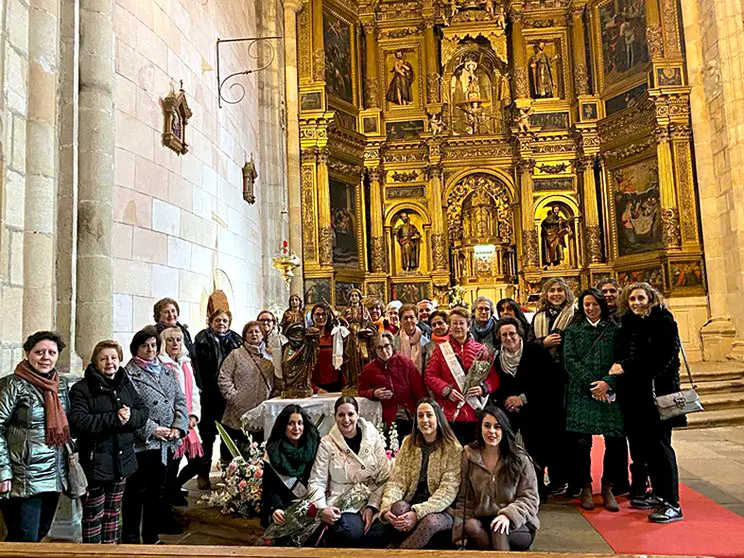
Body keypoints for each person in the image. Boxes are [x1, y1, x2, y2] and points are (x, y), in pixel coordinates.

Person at [611, 282, 685, 523]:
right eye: (632, 299)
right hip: (635, 397)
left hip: (658, 395)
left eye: (641, 298)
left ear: (651, 298)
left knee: (661, 449)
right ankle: (659, 494)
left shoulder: (663, 322)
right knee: (645, 450)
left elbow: (661, 357)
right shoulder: (628, 323)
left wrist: (626, 367)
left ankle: (672, 503)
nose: (636, 303)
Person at [68, 340, 149, 544]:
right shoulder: (82, 389)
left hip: (122, 460)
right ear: (95, 362)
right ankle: (93, 554)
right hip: (95, 461)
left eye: (113, 357)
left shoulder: (125, 384)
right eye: (103, 358)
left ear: (119, 360)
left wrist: (130, 417)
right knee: (94, 514)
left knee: (113, 512)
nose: (109, 362)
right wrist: (114, 419)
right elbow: (79, 422)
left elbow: (143, 411)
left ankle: (111, 550)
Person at [0, 331, 71, 542]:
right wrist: (3, 470)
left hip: (53, 474)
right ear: (28, 354)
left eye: (51, 352)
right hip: (23, 477)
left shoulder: (60, 385)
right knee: (24, 538)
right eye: (39, 352)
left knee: (40, 533)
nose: (46, 357)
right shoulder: (13, 384)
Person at [122, 326, 189, 544]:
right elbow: (128, 408)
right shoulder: (128, 374)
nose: (150, 349)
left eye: (153, 345)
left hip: (167, 441)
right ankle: (131, 538)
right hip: (143, 443)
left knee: (156, 492)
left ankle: (151, 536)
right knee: (135, 493)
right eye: (145, 345)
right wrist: (152, 430)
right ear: (136, 348)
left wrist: (179, 427)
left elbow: (180, 400)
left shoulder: (165, 370)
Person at [563, 289, 625, 512]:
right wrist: (593, 385)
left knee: (615, 441)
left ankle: (608, 485)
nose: (590, 308)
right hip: (582, 391)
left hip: (610, 391)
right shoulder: (573, 330)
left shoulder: (615, 329)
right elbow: (569, 361)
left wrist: (607, 383)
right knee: (581, 443)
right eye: (586, 305)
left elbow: (622, 358)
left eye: (595, 304)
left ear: (602, 305)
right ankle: (586, 485)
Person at [451, 406, 539, 551]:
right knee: (470, 526)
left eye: (497, 427)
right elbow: (465, 500)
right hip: (484, 520)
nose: (491, 431)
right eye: (487, 426)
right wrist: (458, 534)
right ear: (480, 428)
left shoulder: (520, 458)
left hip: (518, 523)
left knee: (498, 529)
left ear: (503, 430)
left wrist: (507, 515)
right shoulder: (469, 455)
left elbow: (530, 499)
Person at [307, 396, 392, 547]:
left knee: (387, 526)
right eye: (341, 415)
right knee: (351, 532)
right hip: (344, 502)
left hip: (373, 497)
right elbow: (317, 480)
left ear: (358, 415)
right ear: (335, 417)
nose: (346, 419)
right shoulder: (327, 443)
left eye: (351, 414)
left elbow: (384, 476)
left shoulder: (371, 435)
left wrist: (372, 507)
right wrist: (322, 508)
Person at [489, 317, 558, 503]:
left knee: (536, 451)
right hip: (510, 412)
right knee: (510, 452)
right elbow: (496, 385)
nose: (509, 338)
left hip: (537, 410)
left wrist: (523, 399)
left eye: (512, 333)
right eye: (504, 335)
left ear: (519, 333)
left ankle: (536, 490)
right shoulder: (496, 357)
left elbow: (550, 381)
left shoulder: (536, 351)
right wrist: (508, 401)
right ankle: (514, 491)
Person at [379, 399, 462, 549]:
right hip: (411, 503)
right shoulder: (408, 443)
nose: (425, 420)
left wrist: (417, 513)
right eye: (420, 416)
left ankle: (397, 553)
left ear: (438, 418)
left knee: (429, 522)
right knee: (398, 508)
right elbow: (397, 481)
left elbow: (447, 492)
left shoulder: (453, 448)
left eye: (429, 415)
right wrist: (386, 508)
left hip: (442, 509)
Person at [527, 277, 574, 495]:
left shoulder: (574, 315)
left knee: (562, 433)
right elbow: (528, 346)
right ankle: (542, 479)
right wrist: (543, 343)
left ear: (566, 293)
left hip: (565, 378)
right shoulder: (538, 317)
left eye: (560, 290)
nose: (556, 294)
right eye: (552, 290)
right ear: (545, 294)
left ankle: (561, 478)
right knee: (543, 433)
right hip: (543, 381)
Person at [425, 307, 498, 445]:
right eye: (454, 323)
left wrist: (483, 389)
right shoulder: (441, 350)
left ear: (468, 325)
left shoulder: (481, 350)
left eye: (461, 323)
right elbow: (430, 376)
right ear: (449, 327)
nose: (458, 327)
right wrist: (446, 390)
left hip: (475, 412)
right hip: (451, 413)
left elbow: (493, 378)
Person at [193, 308, 243, 488]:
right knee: (207, 438)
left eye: (224, 321)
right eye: (218, 321)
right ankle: (203, 473)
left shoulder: (237, 341)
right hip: (208, 395)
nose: (221, 324)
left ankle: (227, 474)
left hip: (228, 396)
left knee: (228, 435)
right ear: (210, 322)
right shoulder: (200, 341)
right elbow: (196, 368)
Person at [159, 327, 203, 507]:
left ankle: (175, 488)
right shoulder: (161, 364)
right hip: (172, 425)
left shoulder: (186, 363)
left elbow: (193, 392)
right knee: (172, 466)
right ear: (163, 343)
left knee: (198, 462)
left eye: (178, 340)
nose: (175, 343)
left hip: (189, 422)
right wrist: (179, 422)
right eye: (170, 340)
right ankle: (167, 506)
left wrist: (194, 415)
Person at [218, 321, 277, 447]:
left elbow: (277, 378)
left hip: (262, 410)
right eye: (250, 332)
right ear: (244, 336)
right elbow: (224, 377)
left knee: (257, 453)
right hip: (237, 411)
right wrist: (234, 397)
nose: (254, 334)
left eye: (257, 331)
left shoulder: (270, 355)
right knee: (235, 452)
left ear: (263, 335)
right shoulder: (236, 354)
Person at [261, 406, 320, 531]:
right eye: (290, 424)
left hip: (313, 502)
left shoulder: (314, 446)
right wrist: (276, 508)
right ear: (283, 426)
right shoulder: (273, 451)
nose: (296, 428)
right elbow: (269, 488)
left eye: (300, 423)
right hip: (285, 504)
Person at [359, 332, 427, 435]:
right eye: (379, 348)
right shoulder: (369, 369)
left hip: (409, 415)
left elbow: (419, 390)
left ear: (392, 345)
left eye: (387, 346)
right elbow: (361, 390)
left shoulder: (406, 362)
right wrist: (373, 393)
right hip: (386, 418)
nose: (384, 351)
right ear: (374, 350)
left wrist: (423, 413)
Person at [153, 298, 197, 376]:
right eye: (166, 312)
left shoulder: (184, 332)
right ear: (158, 315)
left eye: (173, 311)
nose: (171, 315)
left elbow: (192, 358)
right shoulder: (154, 334)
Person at [308, 303, 345, 392]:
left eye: (323, 314)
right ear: (312, 316)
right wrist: (315, 388)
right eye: (317, 314)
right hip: (313, 385)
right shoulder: (307, 337)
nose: (320, 317)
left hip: (335, 384)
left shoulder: (335, 336)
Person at [394, 303, 430, 374]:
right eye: (405, 318)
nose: (409, 320)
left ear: (417, 320)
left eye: (412, 317)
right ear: (400, 321)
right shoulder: (393, 340)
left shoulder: (426, 342)